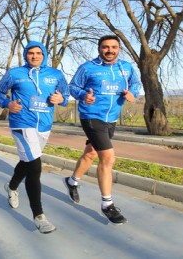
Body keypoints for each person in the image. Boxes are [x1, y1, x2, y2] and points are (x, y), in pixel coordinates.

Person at [0, 41, 69, 234]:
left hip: (44, 125)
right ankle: (39, 216)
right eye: (30, 53)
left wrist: (61, 99)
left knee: (27, 162)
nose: (34, 56)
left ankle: (11, 187)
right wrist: (8, 104)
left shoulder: (55, 75)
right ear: (26, 55)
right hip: (21, 123)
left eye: (38, 53)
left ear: (43, 55)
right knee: (35, 166)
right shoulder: (15, 73)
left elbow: (66, 96)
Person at [63, 35, 141, 225]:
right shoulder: (88, 67)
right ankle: (107, 204)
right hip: (91, 116)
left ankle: (72, 181)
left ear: (119, 49)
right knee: (107, 157)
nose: (109, 50)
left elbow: (136, 84)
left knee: (90, 154)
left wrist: (134, 94)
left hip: (111, 118)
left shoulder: (127, 67)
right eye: (105, 47)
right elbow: (72, 86)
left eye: (114, 47)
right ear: (99, 49)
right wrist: (83, 96)